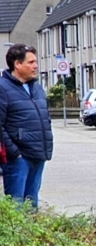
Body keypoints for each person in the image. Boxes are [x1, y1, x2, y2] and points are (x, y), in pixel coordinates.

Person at [0, 44, 53, 207]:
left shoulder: (36, 88)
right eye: (31, 62)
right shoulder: (2, 88)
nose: (35, 66)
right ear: (17, 64)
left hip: (38, 155)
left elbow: (45, 118)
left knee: (31, 205)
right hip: (18, 159)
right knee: (16, 207)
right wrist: (14, 152)